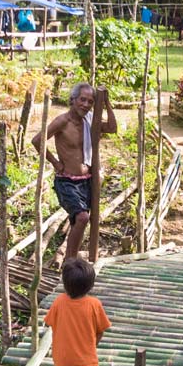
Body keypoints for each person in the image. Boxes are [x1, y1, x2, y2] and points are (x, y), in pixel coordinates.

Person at [33, 83, 118, 260]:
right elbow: (37, 140)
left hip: (86, 181)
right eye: (82, 100)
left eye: (90, 102)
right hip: (67, 182)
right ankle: (70, 260)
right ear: (73, 100)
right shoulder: (63, 121)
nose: (86, 105)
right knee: (82, 218)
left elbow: (112, 128)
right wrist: (56, 163)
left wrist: (107, 104)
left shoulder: (90, 121)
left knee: (79, 221)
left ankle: (71, 260)